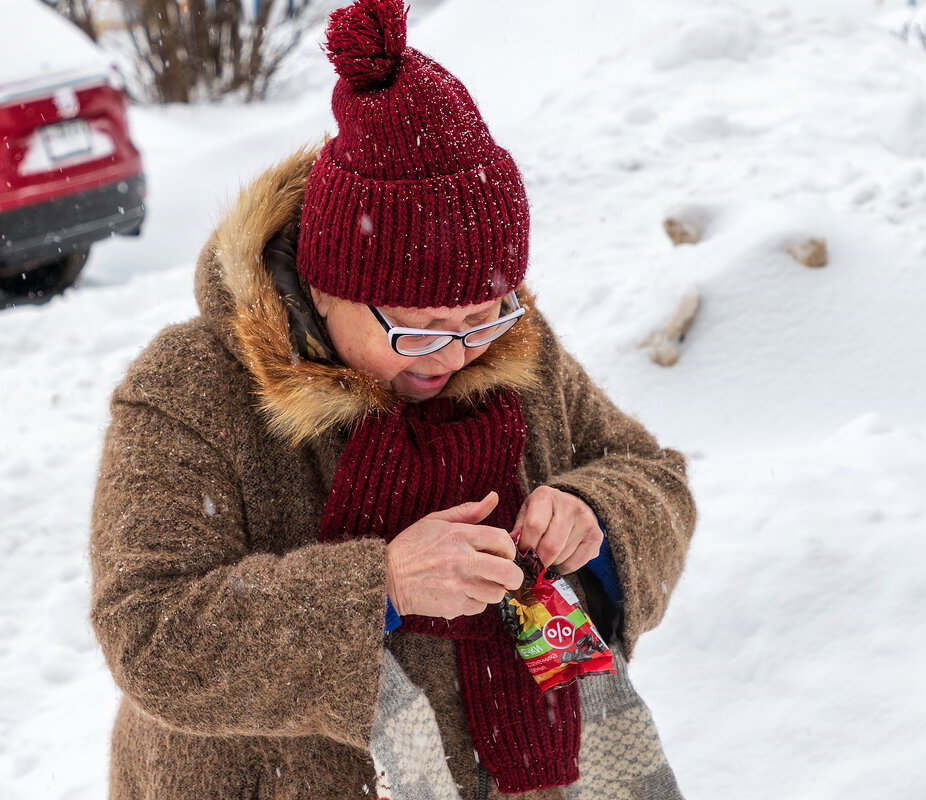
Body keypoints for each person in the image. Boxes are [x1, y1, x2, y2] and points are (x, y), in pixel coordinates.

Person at [88, 1, 697, 798]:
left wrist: (597, 513)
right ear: (327, 286)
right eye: (416, 331)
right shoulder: (189, 388)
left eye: (484, 315)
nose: (454, 353)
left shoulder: (513, 348)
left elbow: (653, 477)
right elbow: (149, 632)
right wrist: (378, 589)